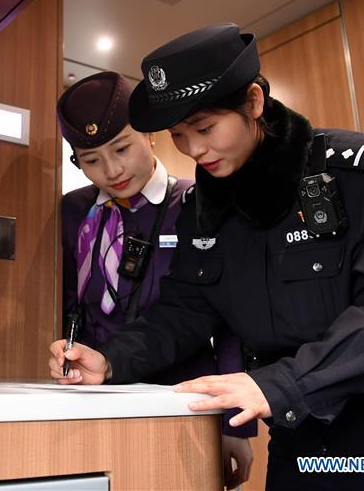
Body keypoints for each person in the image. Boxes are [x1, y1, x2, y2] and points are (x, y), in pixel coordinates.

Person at [49, 25, 364, 489]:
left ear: (255, 103)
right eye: (180, 134)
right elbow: (184, 310)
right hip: (300, 434)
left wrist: (284, 383)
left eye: (204, 128)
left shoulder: (353, 168)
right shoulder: (204, 208)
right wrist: (111, 360)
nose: (194, 150)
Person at [56, 71, 255, 488]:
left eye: (122, 148)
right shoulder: (75, 211)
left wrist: (235, 428)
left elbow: (233, 319)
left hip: (185, 399)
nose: (111, 170)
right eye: (91, 160)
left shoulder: (198, 204)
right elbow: (68, 299)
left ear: (149, 135)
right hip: (98, 396)